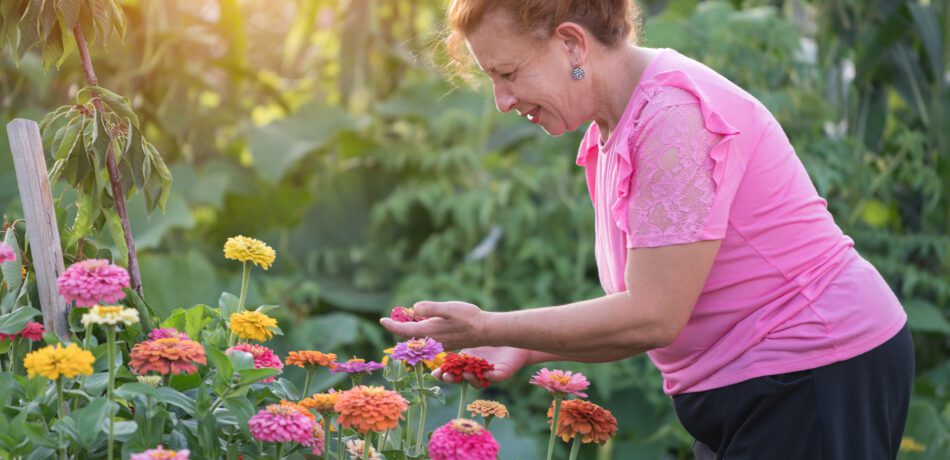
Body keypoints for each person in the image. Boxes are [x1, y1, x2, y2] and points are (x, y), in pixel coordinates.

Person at [380, 1, 914, 458]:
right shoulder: (617, 124)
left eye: (507, 72)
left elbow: (654, 316)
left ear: (571, 44)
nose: (502, 100)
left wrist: (489, 326)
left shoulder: (673, 118)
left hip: (816, 369)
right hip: (766, 382)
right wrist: (526, 347)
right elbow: (647, 304)